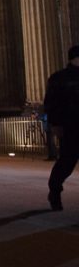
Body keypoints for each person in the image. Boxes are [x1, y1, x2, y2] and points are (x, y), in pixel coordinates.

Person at [45, 45, 79, 211]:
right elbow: (51, 103)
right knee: (66, 163)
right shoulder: (59, 78)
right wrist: (55, 124)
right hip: (70, 126)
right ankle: (55, 191)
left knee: (66, 162)